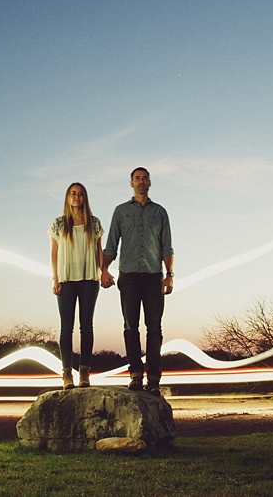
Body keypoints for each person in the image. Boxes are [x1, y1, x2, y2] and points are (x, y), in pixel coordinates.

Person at [101, 167, 174, 396]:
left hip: (154, 276)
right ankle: (135, 375)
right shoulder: (121, 212)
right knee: (130, 327)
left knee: (155, 329)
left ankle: (153, 379)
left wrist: (169, 274)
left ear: (149, 182)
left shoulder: (160, 212)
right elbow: (111, 244)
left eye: (145, 178)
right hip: (129, 276)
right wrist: (104, 269)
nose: (141, 181)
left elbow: (167, 246)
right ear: (131, 183)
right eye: (137, 178)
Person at [48, 182, 105, 389]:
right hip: (66, 279)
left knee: (86, 327)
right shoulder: (58, 224)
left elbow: (100, 250)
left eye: (80, 194)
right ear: (67, 197)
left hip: (89, 279)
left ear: (85, 198)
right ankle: (66, 374)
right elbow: (54, 253)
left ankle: (84, 372)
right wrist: (55, 278)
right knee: (66, 328)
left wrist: (104, 271)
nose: (77, 197)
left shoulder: (94, 223)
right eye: (73, 194)